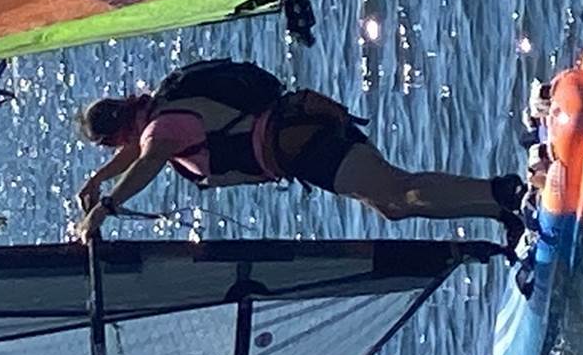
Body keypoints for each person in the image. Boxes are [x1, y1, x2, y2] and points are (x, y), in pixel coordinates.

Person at [72, 56, 527, 238]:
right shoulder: (160, 108)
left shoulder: (160, 132)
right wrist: (98, 180)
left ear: (113, 136)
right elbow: (140, 153)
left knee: (398, 192)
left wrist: (104, 209)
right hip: (301, 132)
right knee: (393, 206)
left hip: (303, 144)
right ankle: (497, 209)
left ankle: (504, 193)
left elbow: (149, 158)